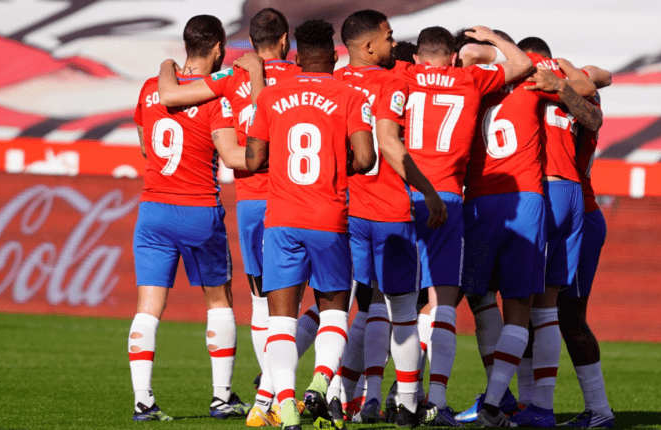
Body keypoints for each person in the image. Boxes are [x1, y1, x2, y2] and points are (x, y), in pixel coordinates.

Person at [156, 10, 322, 426]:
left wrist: (165, 65)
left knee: (264, 304)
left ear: (250, 39)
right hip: (296, 201)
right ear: (285, 40)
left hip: (250, 203)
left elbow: (172, 97)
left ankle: (267, 400)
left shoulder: (232, 76)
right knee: (322, 300)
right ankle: (294, 395)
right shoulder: (302, 79)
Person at [392, 25, 532, 426]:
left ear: (419, 57)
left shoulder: (405, 75)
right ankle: (435, 398)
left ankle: (389, 395)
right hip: (449, 197)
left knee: (393, 304)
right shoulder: (469, 79)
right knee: (444, 303)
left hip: (403, 196)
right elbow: (520, 64)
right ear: (453, 57)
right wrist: (493, 40)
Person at [245, 19, 376, 430]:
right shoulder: (350, 95)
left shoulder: (270, 97)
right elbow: (367, 159)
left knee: (280, 320)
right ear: (335, 57)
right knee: (334, 311)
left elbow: (252, 160)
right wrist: (339, 165)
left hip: (281, 218)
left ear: (297, 57)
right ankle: (321, 380)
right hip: (329, 217)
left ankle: (284, 407)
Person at [129, 14, 249, 422]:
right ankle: (221, 397)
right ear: (218, 49)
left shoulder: (150, 89)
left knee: (148, 307)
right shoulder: (216, 98)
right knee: (218, 301)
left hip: (153, 209)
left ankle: (143, 401)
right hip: (198, 209)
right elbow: (231, 155)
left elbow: (147, 148)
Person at [332, 9, 447, 428]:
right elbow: (390, 146)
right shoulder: (391, 81)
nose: (394, 43)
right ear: (367, 46)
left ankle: (336, 395)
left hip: (344, 211)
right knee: (403, 310)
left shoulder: (333, 82)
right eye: (388, 36)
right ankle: (409, 403)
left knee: (352, 306)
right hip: (385, 209)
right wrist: (429, 191)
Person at [504, 37, 598, 428]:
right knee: (547, 312)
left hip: (543, 192)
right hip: (576, 196)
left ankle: (530, 403)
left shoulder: (523, 86)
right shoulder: (569, 87)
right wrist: (567, 77)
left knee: (535, 310)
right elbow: (596, 96)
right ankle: (535, 404)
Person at [530, 60, 615, 428]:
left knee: (569, 317)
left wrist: (564, 75)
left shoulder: (571, 105)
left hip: (579, 208)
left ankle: (599, 411)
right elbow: (600, 76)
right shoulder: (568, 95)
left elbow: (600, 79)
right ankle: (529, 405)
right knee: (531, 310)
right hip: (561, 206)